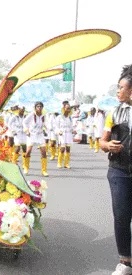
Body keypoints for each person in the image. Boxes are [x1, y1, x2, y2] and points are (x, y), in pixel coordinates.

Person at [100, 64, 132, 275]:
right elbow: (102, 142)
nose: (117, 91)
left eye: (121, 87)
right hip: (119, 171)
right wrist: (108, 145)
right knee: (121, 215)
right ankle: (125, 262)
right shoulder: (114, 112)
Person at [22, 101, 49, 177]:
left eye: (40, 106)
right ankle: (26, 168)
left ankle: (44, 171)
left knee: (44, 152)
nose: (39, 108)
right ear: (35, 108)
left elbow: (46, 124)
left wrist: (47, 129)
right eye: (38, 106)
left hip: (40, 135)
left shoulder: (44, 116)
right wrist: (26, 130)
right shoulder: (31, 115)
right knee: (28, 152)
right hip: (31, 135)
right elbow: (24, 122)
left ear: (42, 108)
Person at [55, 102, 74, 169]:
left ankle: (66, 163)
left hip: (68, 134)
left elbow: (71, 127)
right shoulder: (59, 117)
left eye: (69, 109)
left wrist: (73, 130)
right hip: (62, 134)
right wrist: (58, 131)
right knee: (62, 149)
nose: (68, 110)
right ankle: (59, 163)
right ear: (64, 109)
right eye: (67, 108)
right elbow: (56, 127)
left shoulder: (70, 118)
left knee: (68, 149)